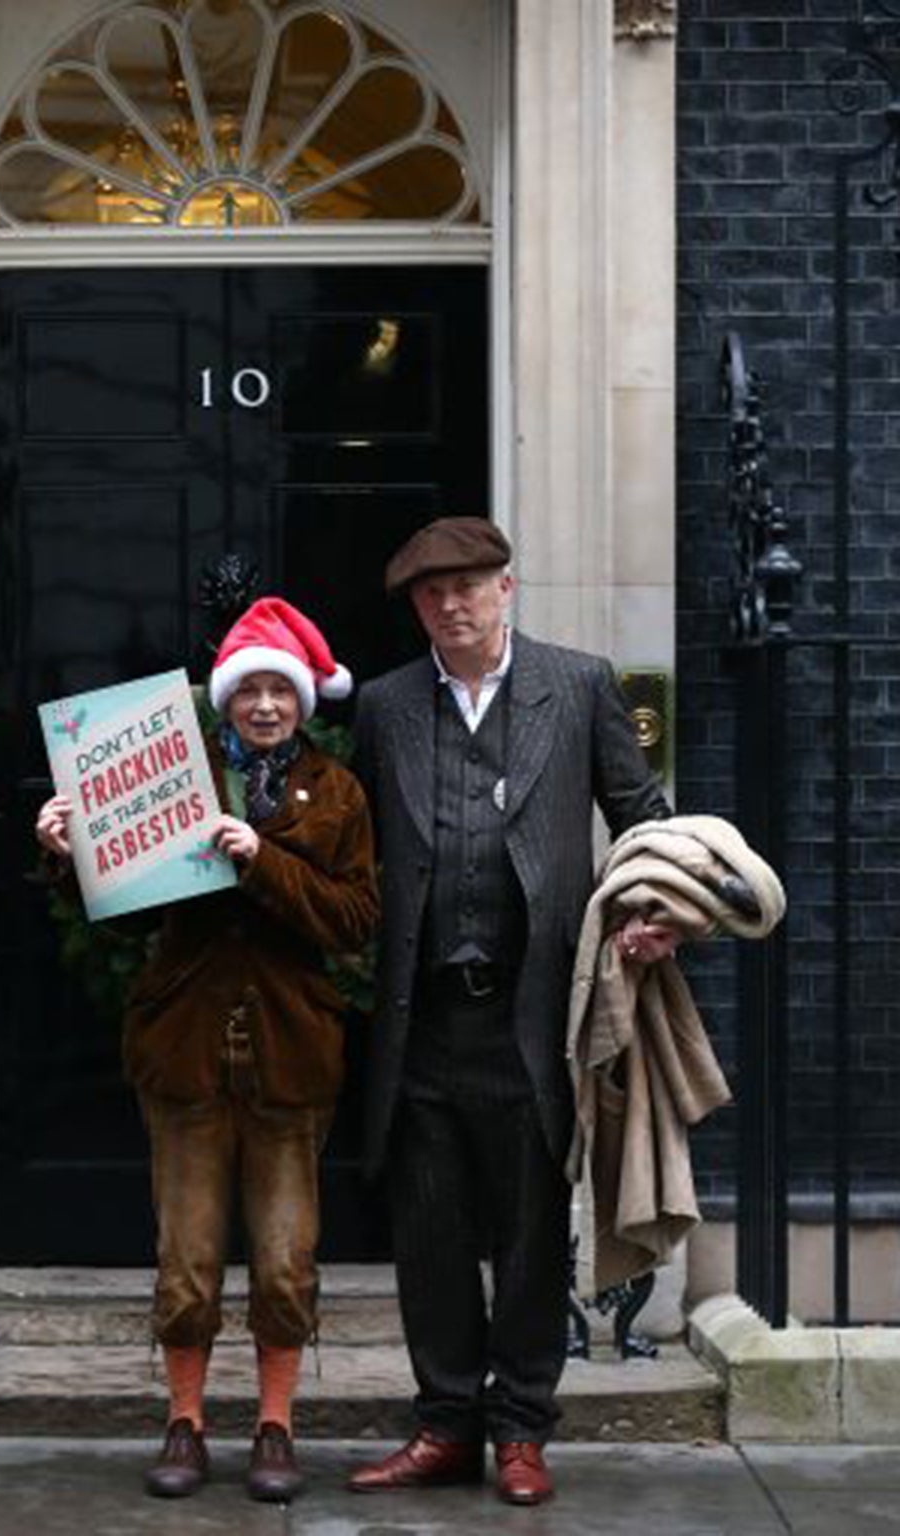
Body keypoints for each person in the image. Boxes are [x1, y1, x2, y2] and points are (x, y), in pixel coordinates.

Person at [345, 517, 675, 1508]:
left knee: (533, 1237)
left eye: (470, 585)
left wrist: (654, 910)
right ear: (415, 607)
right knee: (431, 1237)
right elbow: (341, 838)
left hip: (534, 1015)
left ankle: (520, 1429)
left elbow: (642, 816)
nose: (452, 604)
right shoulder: (383, 706)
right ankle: (444, 1425)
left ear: (506, 588)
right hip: (421, 1019)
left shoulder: (575, 686)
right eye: (431, 593)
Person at [35, 598, 378, 1505]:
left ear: (303, 702)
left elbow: (354, 922)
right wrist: (70, 853)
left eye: (280, 690)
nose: (265, 705)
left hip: (290, 1056)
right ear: (224, 701)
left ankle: (275, 1427)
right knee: (186, 1260)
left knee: (283, 1257)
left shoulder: (336, 795)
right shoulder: (177, 781)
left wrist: (261, 858)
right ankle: (183, 1424)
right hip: (185, 1053)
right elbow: (120, 913)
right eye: (249, 690)